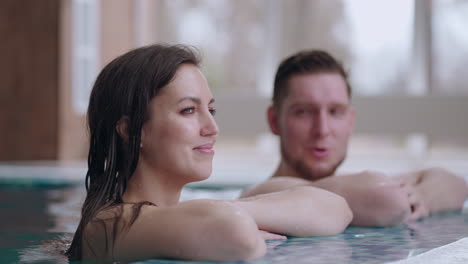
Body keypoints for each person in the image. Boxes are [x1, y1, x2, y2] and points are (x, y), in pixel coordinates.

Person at [66, 44, 353, 262]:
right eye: (189, 110)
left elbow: (337, 209)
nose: (212, 127)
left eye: (211, 110)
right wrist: (233, 217)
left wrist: (229, 210)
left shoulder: (187, 217)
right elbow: (237, 236)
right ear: (131, 131)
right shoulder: (104, 227)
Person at [240, 50, 468, 227]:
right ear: (274, 120)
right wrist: (402, 194)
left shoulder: (356, 192)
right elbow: (387, 199)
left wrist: (421, 196)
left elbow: (456, 183)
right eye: (303, 112)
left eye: (335, 112)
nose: (322, 130)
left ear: (350, 121)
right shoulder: (260, 196)